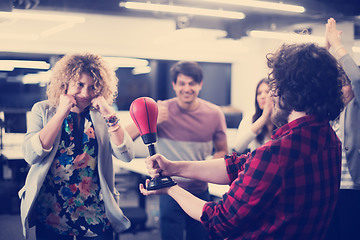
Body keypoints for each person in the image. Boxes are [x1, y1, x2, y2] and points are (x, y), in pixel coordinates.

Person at [140, 43, 345, 239]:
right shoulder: (330, 139)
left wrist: (170, 188)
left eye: (275, 87)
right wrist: (173, 168)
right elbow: (239, 165)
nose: (272, 94)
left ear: (290, 91)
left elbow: (219, 219)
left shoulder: (278, 153)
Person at [19, 53, 135, 240]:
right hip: (52, 209)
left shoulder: (101, 115)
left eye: (92, 87)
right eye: (79, 85)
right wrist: (60, 113)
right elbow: (31, 155)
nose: (85, 94)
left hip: (95, 209)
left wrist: (109, 114)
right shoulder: (42, 110)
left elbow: (127, 155)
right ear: (65, 83)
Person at [127, 61, 228, 240]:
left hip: (199, 189)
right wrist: (153, 121)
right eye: (182, 83)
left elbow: (222, 152)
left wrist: (207, 165)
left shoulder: (214, 113)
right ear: (174, 85)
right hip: (169, 190)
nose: (187, 88)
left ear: (200, 85)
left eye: (192, 83)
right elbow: (125, 138)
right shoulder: (160, 109)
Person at [324, 18, 360, 240]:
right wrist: (324, 49)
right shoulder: (327, 111)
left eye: (344, 83)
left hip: (353, 192)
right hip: (327, 190)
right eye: (338, 83)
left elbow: (357, 78)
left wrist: (337, 45)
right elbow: (309, 81)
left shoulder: (356, 107)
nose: (341, 88)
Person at [231, 78, 275, 154]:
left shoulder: (282, 118)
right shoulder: (250, 117)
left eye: (267, 92)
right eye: (259, 93)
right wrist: (263, 118)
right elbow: (237, 148)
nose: (262, 96)